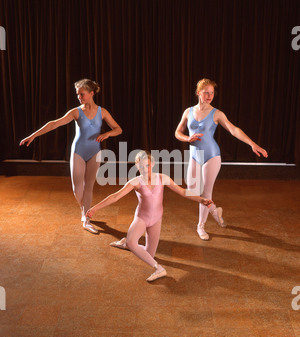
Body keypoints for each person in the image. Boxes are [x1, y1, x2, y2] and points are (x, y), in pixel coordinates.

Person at [86, 151, 213, 282]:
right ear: (137, 166)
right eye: (141, 166)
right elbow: (115, 196)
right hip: (142, 218)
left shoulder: (162, 178)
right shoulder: (136, 182)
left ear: (152, 164)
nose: (144, 169)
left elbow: (182, 191)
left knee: (149, 254)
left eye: (146, 165)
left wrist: (200, 199)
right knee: (132, 242)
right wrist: (95, 208)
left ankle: (125, 244)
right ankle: (158, 268)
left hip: (156, 220)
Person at [20, 79, 122, 234]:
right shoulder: (76, 112)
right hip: (78, 152)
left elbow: (118, 129)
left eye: (82, 94)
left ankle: (86, 219)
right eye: (77, 94)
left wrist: (108, 133)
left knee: (89, 187)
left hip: (95, 151)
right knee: (76, 187)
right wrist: (33, 135)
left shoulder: (103, 112)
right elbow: (54, 123)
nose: (79, 97)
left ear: (91, 93)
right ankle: (84, 209)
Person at [175, 78, 268, 241]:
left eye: (212, 93)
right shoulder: (188, 112)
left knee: (206, 192)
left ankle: (201, 226)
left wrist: (252, 144)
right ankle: (215, 211)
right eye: (206, 92)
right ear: (198, 93)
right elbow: (177, 132)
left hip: (212, 156)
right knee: (191, 189)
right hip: (195, 155)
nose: (210, 95)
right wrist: (187, 139)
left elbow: (234, 129)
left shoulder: (217, 113)